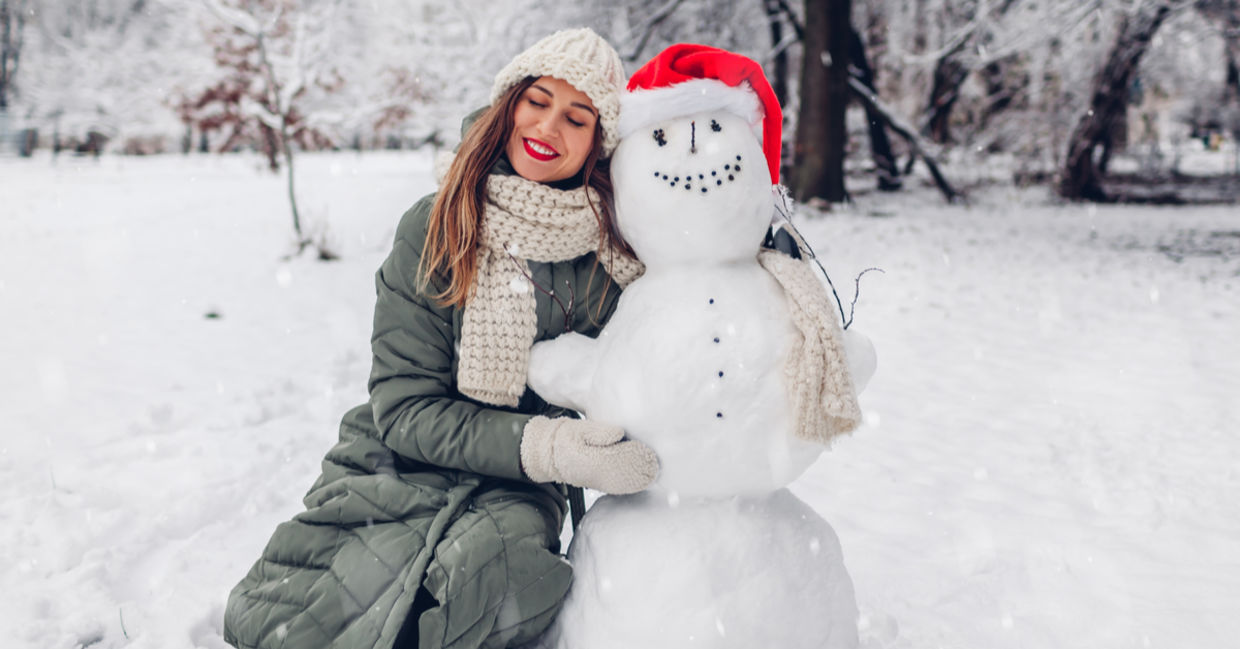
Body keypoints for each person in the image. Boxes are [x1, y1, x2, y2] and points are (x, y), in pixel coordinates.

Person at [222, 28, 659, 649]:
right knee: (306, 619)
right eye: (538, 100)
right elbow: (404, 408)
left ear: (598, 141)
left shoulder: (617, 249)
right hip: (399, 460)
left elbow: (701, 287)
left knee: (490, 581)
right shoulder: (440, 222)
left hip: (518, 487)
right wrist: (550, 445)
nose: (549, 127)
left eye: (577, 116)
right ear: (509, 104)